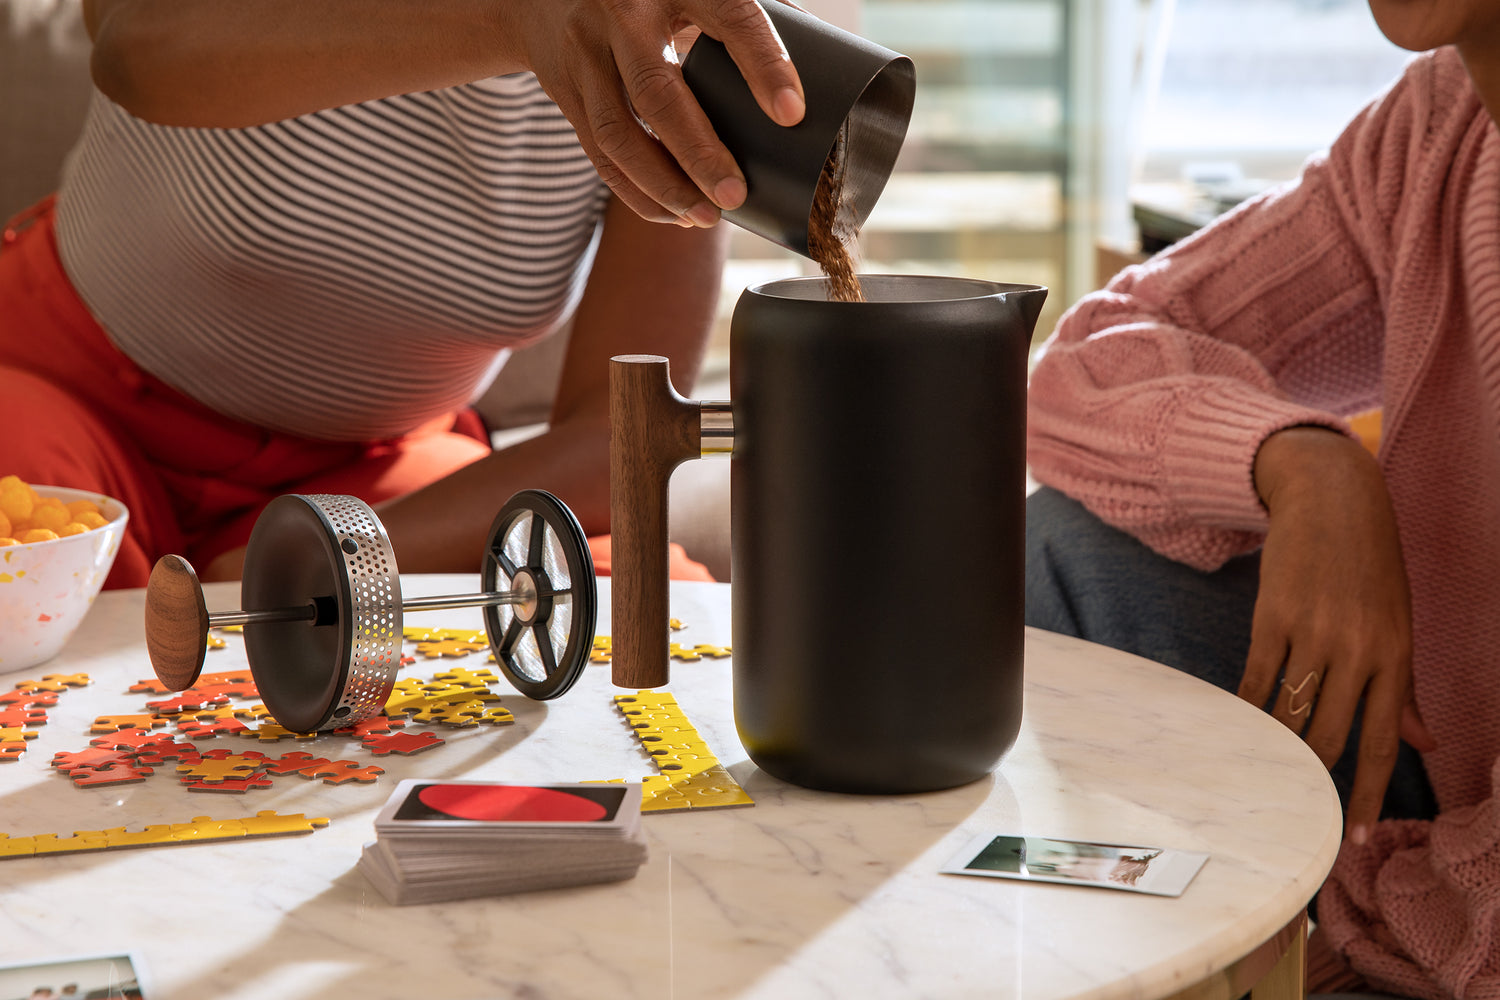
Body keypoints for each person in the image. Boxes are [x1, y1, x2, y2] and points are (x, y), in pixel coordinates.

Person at [1, 0, 806, 588]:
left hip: (370, 475)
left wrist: (321, 561)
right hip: (68, 396)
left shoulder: (672, 45)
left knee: (633, 603)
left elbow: (622, 430)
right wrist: (514, 20)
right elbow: (136, 42)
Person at [1026, 3, 1500, 996]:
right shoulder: (1434, 133)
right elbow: (1086, 361)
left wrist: (1323, 933)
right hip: (1439, 794)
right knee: (1068, 551)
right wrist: (1300, 463)